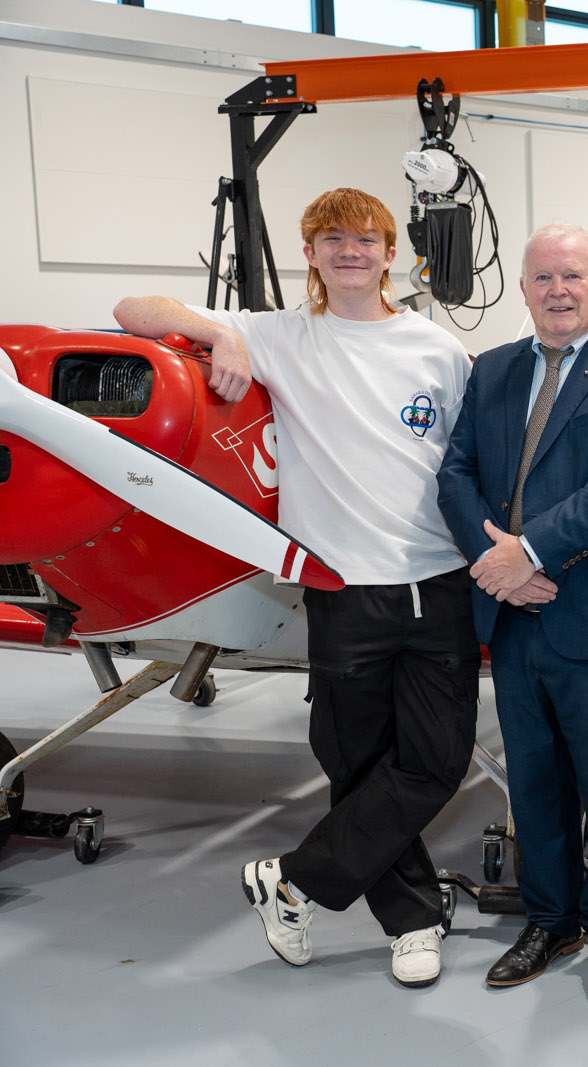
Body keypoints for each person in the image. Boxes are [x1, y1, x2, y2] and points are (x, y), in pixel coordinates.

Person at [112, 187, 480, 990]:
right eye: (332, 238)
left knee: (437, 760)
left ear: (391, 253)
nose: (351, 251)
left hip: (437, 581)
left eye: (366, 239)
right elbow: (132, 309)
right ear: (309, 253)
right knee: (356, 761)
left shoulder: (438, 349)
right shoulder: (279, 333)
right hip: (342, 586)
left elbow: (468, 462)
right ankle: (413, 921)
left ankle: (295, 880)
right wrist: (219, 333)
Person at [435, 223, 588, 1004]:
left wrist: (528, 555)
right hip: (514, 618)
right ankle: (550, 919)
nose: (558, 289)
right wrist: (498, 564)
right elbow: (456, 473)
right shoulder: (494, 370)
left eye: (573, 275)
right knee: (533, 785)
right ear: (524, 290)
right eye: (542, 277)